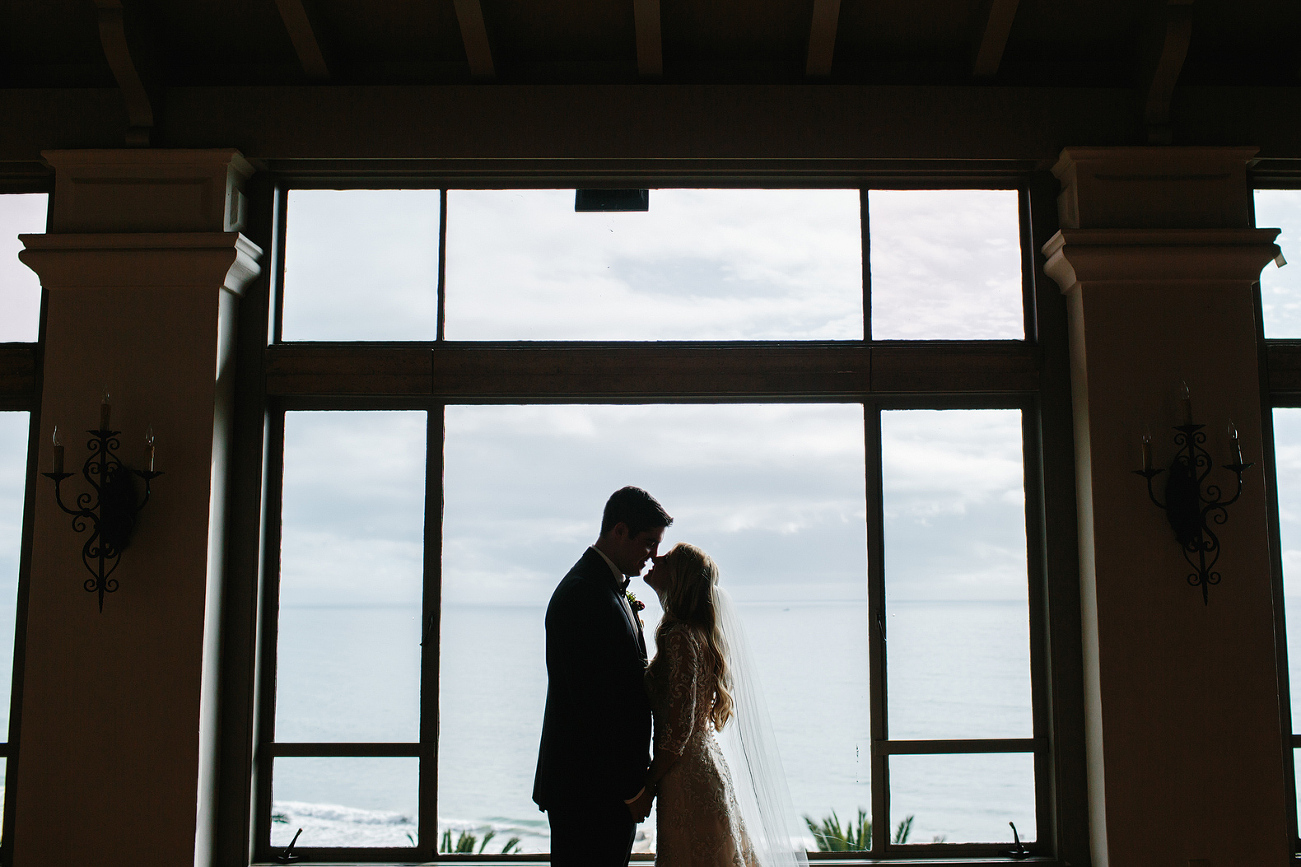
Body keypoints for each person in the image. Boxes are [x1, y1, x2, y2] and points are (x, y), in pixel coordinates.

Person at [642, 543, 808, 867]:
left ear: (678, 578)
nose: (656, 558)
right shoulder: (699, 634)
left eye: (668, 559)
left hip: (685, 775)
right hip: (706, 765)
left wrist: (646, 786)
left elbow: (678, 731)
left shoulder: (678, 636)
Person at [533, 486, 673, 867]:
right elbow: (595, 707)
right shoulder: (584, 594)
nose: (653, 555)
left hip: (597, 788)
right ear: (619, 531)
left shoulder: (605, 588)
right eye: (648, 543)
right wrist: (631, 790)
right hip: (589, 791)